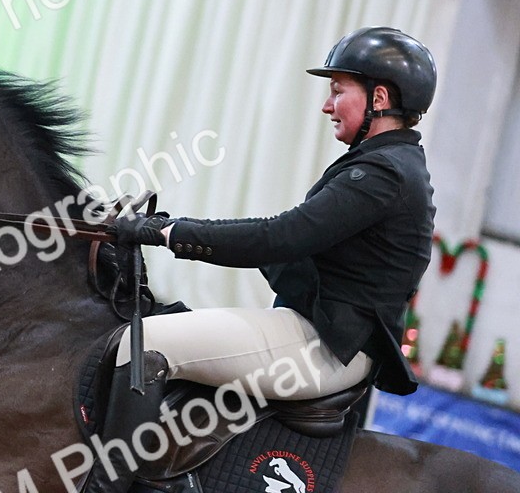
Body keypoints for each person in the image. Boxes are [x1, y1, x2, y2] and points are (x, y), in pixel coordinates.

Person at [84, 26, 438, 493]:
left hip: (325, 347)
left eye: (337, 91)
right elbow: (282, 242)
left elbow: (280, 237)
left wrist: (166, 233)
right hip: (320, 332)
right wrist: (171, 228)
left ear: (379, 97)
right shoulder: (383, 163)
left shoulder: (384, 172)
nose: (327, 106)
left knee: (145, 342)